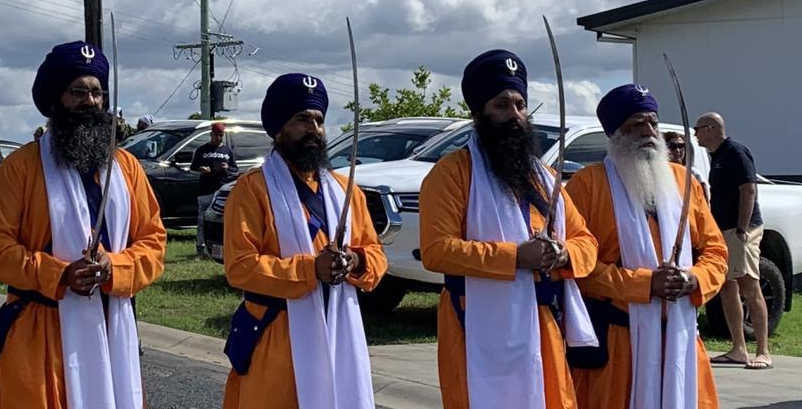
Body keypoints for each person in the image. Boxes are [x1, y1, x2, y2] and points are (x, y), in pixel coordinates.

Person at [0, 41, 167, 408]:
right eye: (77, 91)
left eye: (97, 92)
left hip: (113, 326)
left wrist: (116, 266)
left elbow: (153, 242)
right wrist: (60, 274)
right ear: (55, 99)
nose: (90, 102)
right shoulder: (19, 168)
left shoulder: (126, 168)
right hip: (40, 332)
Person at [419, 49, 599, 409]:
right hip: (473, 321)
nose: (515, 115)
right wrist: (516, 256)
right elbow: (437, 250)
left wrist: (563, 253)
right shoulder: (452, 173)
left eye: (520, 105)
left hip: (543, 321)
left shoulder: (545, 177)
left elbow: (586, 243)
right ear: (478, 112)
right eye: (502, 105)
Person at [221, 74, 388, 409]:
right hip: (275, 335)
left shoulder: (346, 190)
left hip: (339, 327)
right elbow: (240, 268)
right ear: (279, 128)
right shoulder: (252, 189)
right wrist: (311, 269)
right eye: (302, 119)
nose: (314, 129)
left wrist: (355, 261)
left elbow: (375, 255)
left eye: (319, 120)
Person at [565, 85, 727, 408]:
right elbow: (578, 267)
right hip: (617, 345)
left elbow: (716, 253)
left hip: (681, 337)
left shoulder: (685, 182)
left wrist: (693, 279)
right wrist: (644, 284)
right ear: (615, 133)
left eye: (653, 122)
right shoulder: (588, 185)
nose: (649, 132)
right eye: (637, 124)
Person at [696, 112, 771, 370]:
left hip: (742, 229)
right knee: (727, 286)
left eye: (698, 129)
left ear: (711, 128)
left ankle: (763, 351)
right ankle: (738, 348)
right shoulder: (716, 156)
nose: (695, 134)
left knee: (749, 284)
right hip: (723, 229)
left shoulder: (736, 152)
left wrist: (742, 227)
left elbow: (748, 189)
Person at [192, 122, 238, 254]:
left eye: (221, 135)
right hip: (206, 189)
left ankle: (222, 247)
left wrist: (227, 168)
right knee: (203, 219)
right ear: (211, 134)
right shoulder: (202, 150)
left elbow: (235, 170)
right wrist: (201, 169)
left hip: (223, 190)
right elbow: (193, 168)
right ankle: (201, 247)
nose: (218, 138)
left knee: (223, 220)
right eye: (216, 135)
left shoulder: (227, 151)